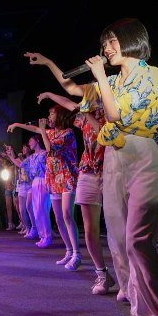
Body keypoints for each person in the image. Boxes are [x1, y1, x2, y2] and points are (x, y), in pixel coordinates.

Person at [73, 18, 158, 316]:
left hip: (142, 154)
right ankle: (139, 313)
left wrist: (100, 77)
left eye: (113, 41)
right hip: (114, 160)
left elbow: (115, 113)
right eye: (105, 43)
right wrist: (48, 64)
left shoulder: (151, 74)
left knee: (138, 242)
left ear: (132, 40)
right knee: (118, 242)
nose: (106, 48)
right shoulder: (113, 80)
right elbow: (72, 89)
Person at [35, 88, 117, 295]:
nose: (84, 99)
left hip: (106, 170)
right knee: (88, 229)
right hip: (87, 170)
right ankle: (100, 273)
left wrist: (87, 111)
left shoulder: (111, 115)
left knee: (115, 229)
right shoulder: (82, 118)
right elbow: (67, 100)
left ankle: (125, 280)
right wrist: (48, 94)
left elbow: (102, 133)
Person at [9, 105, 80, 270]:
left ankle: (77, 253)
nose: (49, 116)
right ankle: (69, 251)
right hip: (54, 179)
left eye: (52, 113)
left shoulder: (68, 133)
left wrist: (42, 130)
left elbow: (50, 148)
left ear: (60, 116)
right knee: (59, 218)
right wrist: (17, 124)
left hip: (67, 176)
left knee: (67, 215)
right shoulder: (50, 133)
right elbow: (34, 128)